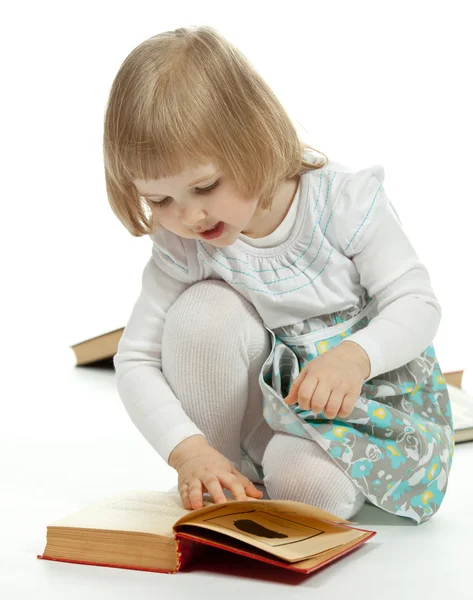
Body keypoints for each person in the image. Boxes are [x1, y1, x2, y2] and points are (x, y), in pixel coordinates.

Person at [103, 26, 454, 525]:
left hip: (368, 412)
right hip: (274, 411)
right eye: (160, 200)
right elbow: (137, 357)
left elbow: (417, 303)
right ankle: (223, 478)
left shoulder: (341, 202)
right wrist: (189, 451)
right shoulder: (183, 242)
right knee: (203, 310)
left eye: (205, 186)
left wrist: (354, 359)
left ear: (254, 138)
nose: (189, 217)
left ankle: (298, 475)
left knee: (306, 489)